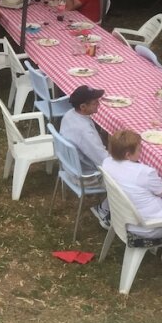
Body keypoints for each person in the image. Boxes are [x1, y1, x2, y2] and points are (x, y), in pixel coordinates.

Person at [102, 130, 162, 262]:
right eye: (139, 150)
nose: (141, 152)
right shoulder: (145, 172)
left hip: (121, 217)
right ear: (128, 155)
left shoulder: (107, 162)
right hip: (148, 226)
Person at [60, 85, 110, 226]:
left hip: (70, 167)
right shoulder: (85, 132)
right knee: (126, 180)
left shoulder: (70, 114)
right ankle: (104, 210)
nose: (99, 104)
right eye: (95, 102)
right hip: (87, 176)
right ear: (83, 106)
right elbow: (104, 160)